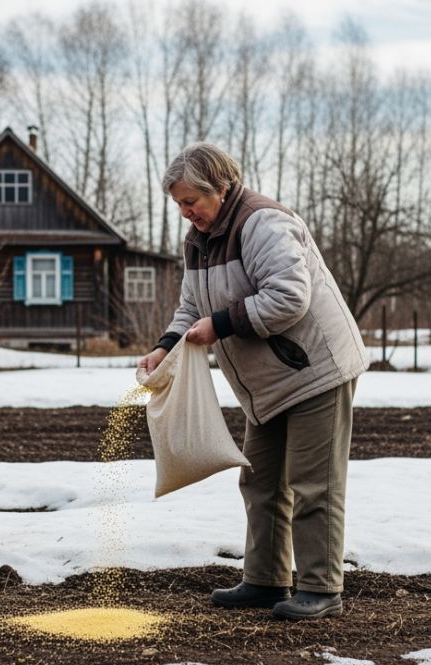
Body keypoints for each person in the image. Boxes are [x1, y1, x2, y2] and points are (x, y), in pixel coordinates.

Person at [139, 142, 367, 620]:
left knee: (313, 483)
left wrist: (219, 325)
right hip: (269, 382)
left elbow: (289, 297)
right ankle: (265, 580)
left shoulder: (262, 223)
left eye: (190, 202)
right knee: (259, 479)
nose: (185, 213)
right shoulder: (199, 241)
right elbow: (191, 307)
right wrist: (166, 345)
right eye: (178, 204)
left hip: (315, 369)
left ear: (220, 188)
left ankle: (321, 588)